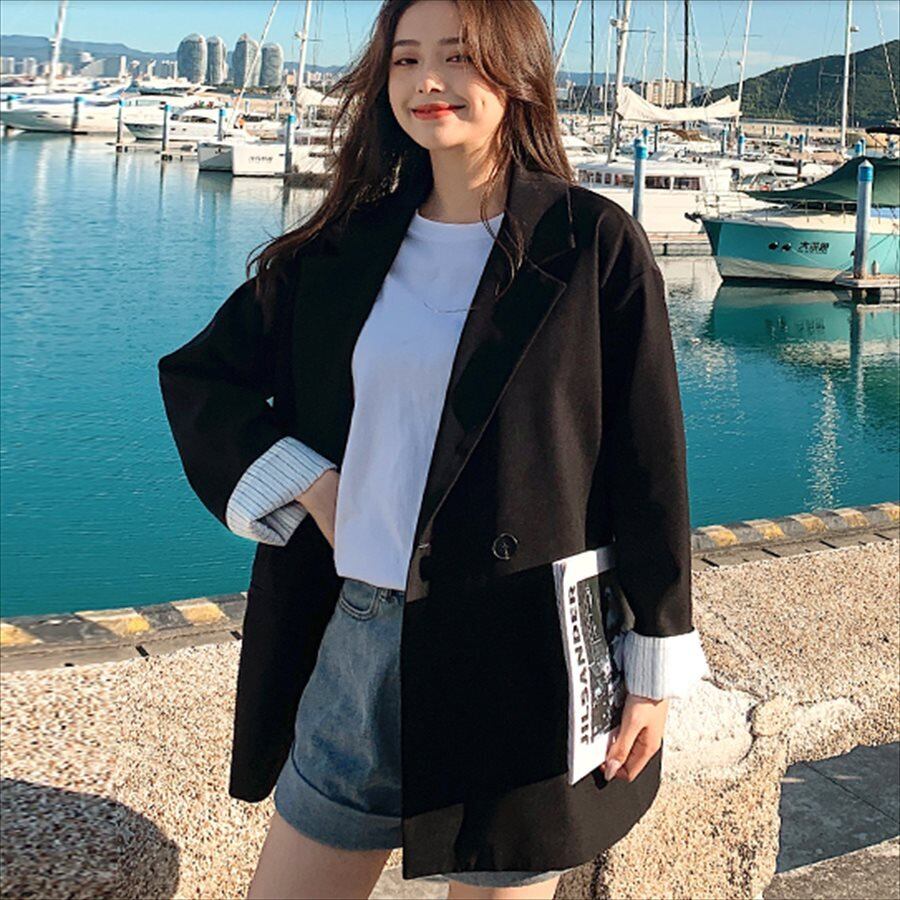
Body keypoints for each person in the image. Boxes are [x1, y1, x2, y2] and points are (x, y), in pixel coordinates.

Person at [157, 1, 710, 898]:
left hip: (527, 646)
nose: (429, 82)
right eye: (406, 59)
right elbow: (201, 379)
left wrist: (652, 662)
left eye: (458, 56)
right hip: (363, 636)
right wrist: (314, 485)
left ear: (515, 73)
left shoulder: (590, 241)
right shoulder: (344, 247)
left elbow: (648, 467)